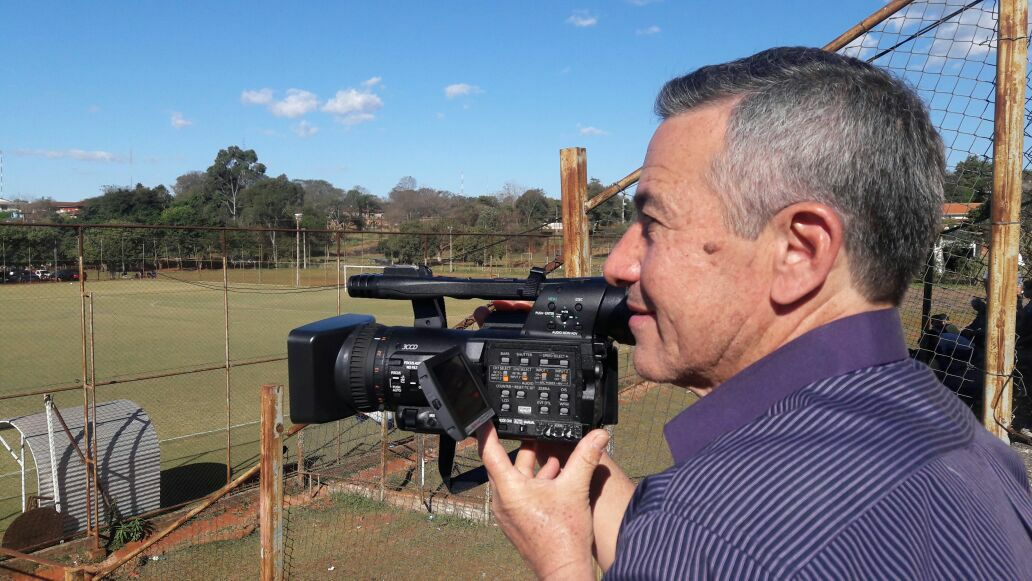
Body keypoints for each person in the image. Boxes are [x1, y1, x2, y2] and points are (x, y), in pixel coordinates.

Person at [476, 47, 1032, 579]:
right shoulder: (978, 453)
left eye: (653, 224)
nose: (620, 264)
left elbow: (714, 544)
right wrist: (551, 416)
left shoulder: (711, 529)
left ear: (799, 251)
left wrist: (561, 562)